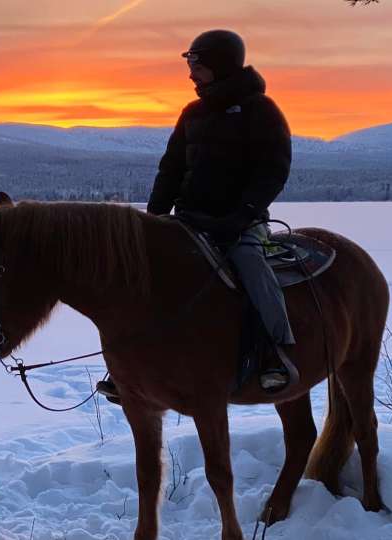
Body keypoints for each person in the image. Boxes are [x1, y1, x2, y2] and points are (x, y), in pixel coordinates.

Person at [97, 29, 296, 402]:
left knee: (251, 265)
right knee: (142, 273)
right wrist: (153, 219)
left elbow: (274, 169)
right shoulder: (193, 113)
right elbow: (170, 169)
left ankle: (275, 352)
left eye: (197, 65)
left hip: (240, 223)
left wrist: (244, 215)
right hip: (189, 219)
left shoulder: (259, 110)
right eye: (190, 65)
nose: (191, 74)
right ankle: (128, 364)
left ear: (220, 65)